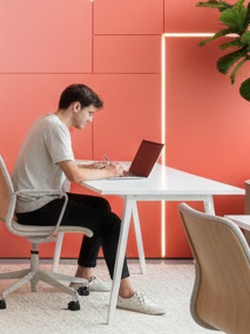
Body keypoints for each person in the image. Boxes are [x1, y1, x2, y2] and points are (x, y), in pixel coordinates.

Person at [10, 83, 164, 315]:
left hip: (31, 201)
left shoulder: (47, 121)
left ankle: (83, 276)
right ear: (76, 106)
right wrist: (109, 171)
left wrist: (92, 166)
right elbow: (73, 174)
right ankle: (126, 293)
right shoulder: (57, 129)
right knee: (110, 222)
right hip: (38, 208)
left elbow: (66, 164)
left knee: (101, 205)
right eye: (90, 113)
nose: (91, 119)